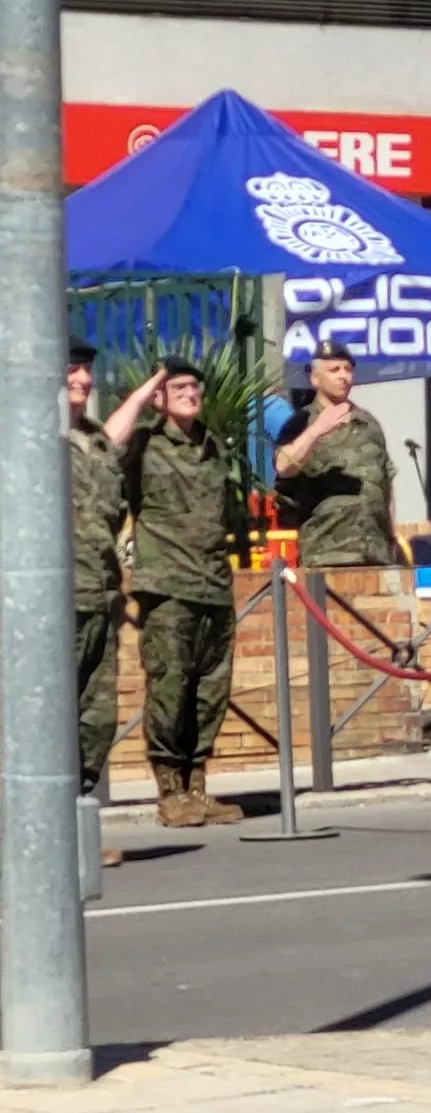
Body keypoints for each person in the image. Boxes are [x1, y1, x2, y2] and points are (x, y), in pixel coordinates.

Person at [115, 357, 243, 828]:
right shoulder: (144, 444)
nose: (191, 394)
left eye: (195, 387)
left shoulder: (214, 446)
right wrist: (148, 389)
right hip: (167, 589)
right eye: (179, 387)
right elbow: (110, 446)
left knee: (210, 692)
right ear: (160, 398)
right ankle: (170, 791)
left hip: (214, 586)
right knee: (170, 689)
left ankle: (197, 786)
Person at [69, 338, 142, 865]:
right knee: (43, 721)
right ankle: (34, 836)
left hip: (98, 593)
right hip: (48, 602)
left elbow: (118, 436)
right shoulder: (24, 437)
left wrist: (147, 389)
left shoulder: (94, 441)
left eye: (86, 371)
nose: (82, 379)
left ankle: (72, 833)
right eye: (71, 370)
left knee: (95, 720)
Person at [273, 340, 397, 567]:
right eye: (334, 370)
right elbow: (283, 466)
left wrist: (392, 538)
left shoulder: (368, 423)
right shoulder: (301, 422)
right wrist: (317, 429)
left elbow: (385, 483)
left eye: (347, 369)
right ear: (315, 378)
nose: (343, 376)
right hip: (327, 554)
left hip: (375, 553)